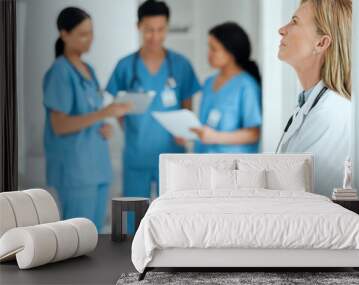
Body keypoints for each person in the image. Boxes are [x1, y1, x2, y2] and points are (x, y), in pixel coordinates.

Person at [106, 0, 200, 230]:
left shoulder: (180, 65)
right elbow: (118, 111)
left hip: (172, 155)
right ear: (139, 26)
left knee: (175, 220)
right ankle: (128, 263)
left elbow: (187, 106)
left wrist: (185, 132)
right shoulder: (125, 66)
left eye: (160, 29)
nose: (155, 36)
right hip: (136, 155)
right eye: (149, 29)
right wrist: (135, 130)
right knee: (132, 221)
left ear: (167, 28)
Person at [43, 7, 132, 231]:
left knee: (95, 235)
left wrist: (103, 127)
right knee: (76, 236)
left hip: (98, 168)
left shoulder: (88, 70)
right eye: (83, 34)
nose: (89, 39)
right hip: (76, 172)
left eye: (91, 33)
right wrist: (104, 113)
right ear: (64, 34)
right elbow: (60, 125)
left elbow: (88, 114)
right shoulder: (60, 72)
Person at [277, 0, 352, 196]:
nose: (282, 29)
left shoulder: (334, 113)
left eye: (295, 21)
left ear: (321, 43)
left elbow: (308, 196)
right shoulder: (311, 103)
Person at [190, 22, 262, 153]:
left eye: (214, 49)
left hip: (232, 166)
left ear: (230, 52)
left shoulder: (247, 86)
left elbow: (253, 134)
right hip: (203, 161)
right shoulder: (208, 82)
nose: (209, 54)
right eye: (209, 48)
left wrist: (215, 137)